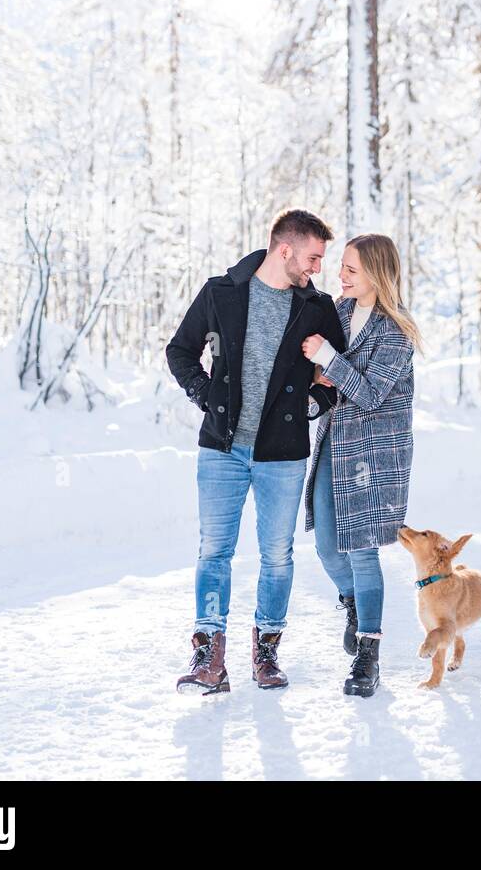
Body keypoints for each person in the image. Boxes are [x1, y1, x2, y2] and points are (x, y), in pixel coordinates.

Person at [165, 210, 346, 695]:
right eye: (312, 257)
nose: (317, 268)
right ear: (284, 249)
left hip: (282, 454)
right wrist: (206, 396)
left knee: (277, 556)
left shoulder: (318, 307)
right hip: (221, 449)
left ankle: (265, 654)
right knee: (213, 551)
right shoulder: (221, 293)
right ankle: (209, 656)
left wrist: (314, 401)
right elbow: (179, 351)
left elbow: (337, 375)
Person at [301, 233, 420, 698]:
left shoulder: (398, 329)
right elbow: (323, 377)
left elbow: (370, 393)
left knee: (363, 551)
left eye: (351, 269)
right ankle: (352, 602)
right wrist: (320, 374)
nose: (341, 276)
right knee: (328, 547)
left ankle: (368, 655)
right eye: (342, 267)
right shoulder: (340, 312)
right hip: (334, 442)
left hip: (374, 454)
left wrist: (329, 359)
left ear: (376, 274)